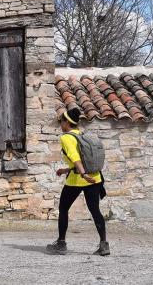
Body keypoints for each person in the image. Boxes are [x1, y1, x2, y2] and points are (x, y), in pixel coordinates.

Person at [46, 108, 109, 256]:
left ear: (67, 122)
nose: (60, 124)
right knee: (95, 211)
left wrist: (83, 174)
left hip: (79, 179)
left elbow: (76, 158)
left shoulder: (66, 137)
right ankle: (104, 245)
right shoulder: (82, 135)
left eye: (61, 121)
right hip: (95, 177)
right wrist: (65, 170)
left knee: (63, 208)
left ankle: (61, 244)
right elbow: (83, 160)